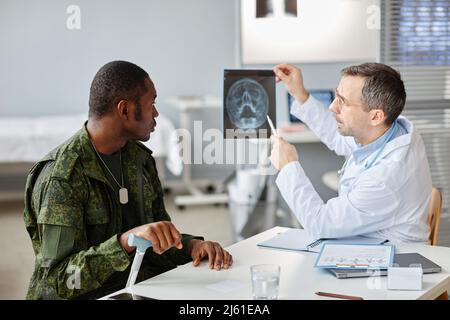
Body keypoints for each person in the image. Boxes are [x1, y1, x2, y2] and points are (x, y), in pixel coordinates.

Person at [23, 61, 233, 300]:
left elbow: (156, 240)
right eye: (151, 104)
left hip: (133, 286)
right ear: (124, 110)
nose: (156, 113)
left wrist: (192, 246)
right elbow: (61, 280)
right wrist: (124, 243)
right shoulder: (61, 178)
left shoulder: (140, 160)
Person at [270, 63, 432, 243]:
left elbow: (320, 224)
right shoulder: (387, 130)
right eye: (336, 96)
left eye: (342, 101)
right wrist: (300, 94)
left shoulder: (387, 177)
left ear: (376, 116)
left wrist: (288, 166)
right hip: (365, 242)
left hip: (390, 260)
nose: (332, 107)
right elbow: (338, 135)